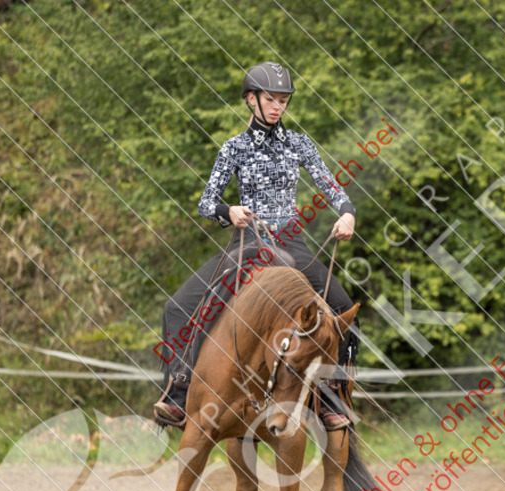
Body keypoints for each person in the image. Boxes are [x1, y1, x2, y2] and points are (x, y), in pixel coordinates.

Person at [153, 61, 360, 432]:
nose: (278, 106)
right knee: (177, 307)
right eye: (271, 99)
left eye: (283, 100)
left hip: (291, 244)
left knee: (343, 307)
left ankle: (330, 398)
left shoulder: (300, 144)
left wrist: (346, 214)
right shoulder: (233, 147)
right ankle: (179, 391)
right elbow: (206, 201)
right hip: (248, 243)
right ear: (251, 100)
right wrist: (227, 211)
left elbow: (333, 188)